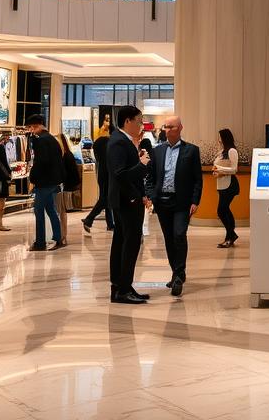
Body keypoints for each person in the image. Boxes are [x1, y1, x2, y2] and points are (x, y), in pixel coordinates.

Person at [145, 116, 201, 297]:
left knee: (179, 234)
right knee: (169, 238)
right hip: (162, 202)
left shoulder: (191, 151)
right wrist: (152, 196)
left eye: (172, 127)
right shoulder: (158, 151)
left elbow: (197, 180)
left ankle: (179, 274)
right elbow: (151, 177)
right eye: (166, 127)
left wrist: (195, 201)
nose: (168, 130)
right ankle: (176, 273)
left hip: (182, 202)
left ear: (180, 128)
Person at [108, 105, 151, 304]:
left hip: (129, 198)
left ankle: (122, 286)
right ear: (127, 121)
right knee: (129, 244)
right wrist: (141, 165)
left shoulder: (124, 140)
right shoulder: (118, 142)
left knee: (122, 242)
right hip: (126, 201)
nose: (141, 125)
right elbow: (120, 175)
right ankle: (122, 289)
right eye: (139, 121)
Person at [27, 115, 66, 251]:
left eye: (31, 127)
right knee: (50, 209)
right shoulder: (52, 140)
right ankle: (58, 237)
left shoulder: (40, 141)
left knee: (38, 211)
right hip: (53, 181)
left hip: (44, 182)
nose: (31, 131)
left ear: (36, 126)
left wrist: (33, 177)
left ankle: (40, 242)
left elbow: (40, 162)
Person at [82, 121, 114, 232]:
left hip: (102, 174)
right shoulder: (107, 142)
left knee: (105, 198)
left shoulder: (99, 142)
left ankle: (110, 224)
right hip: (107, 174)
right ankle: (89, 219)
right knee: (105, 199)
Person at [214, 128, 241, 248]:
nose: (218, 139)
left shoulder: (231, 151)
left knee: (222, 210)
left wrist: (219, 169)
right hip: (221, 184)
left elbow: (234, 169)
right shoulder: (221, 152)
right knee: (224, 210)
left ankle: (230, 235)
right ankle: (231, 235)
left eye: (220, 136)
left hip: (230, 185)